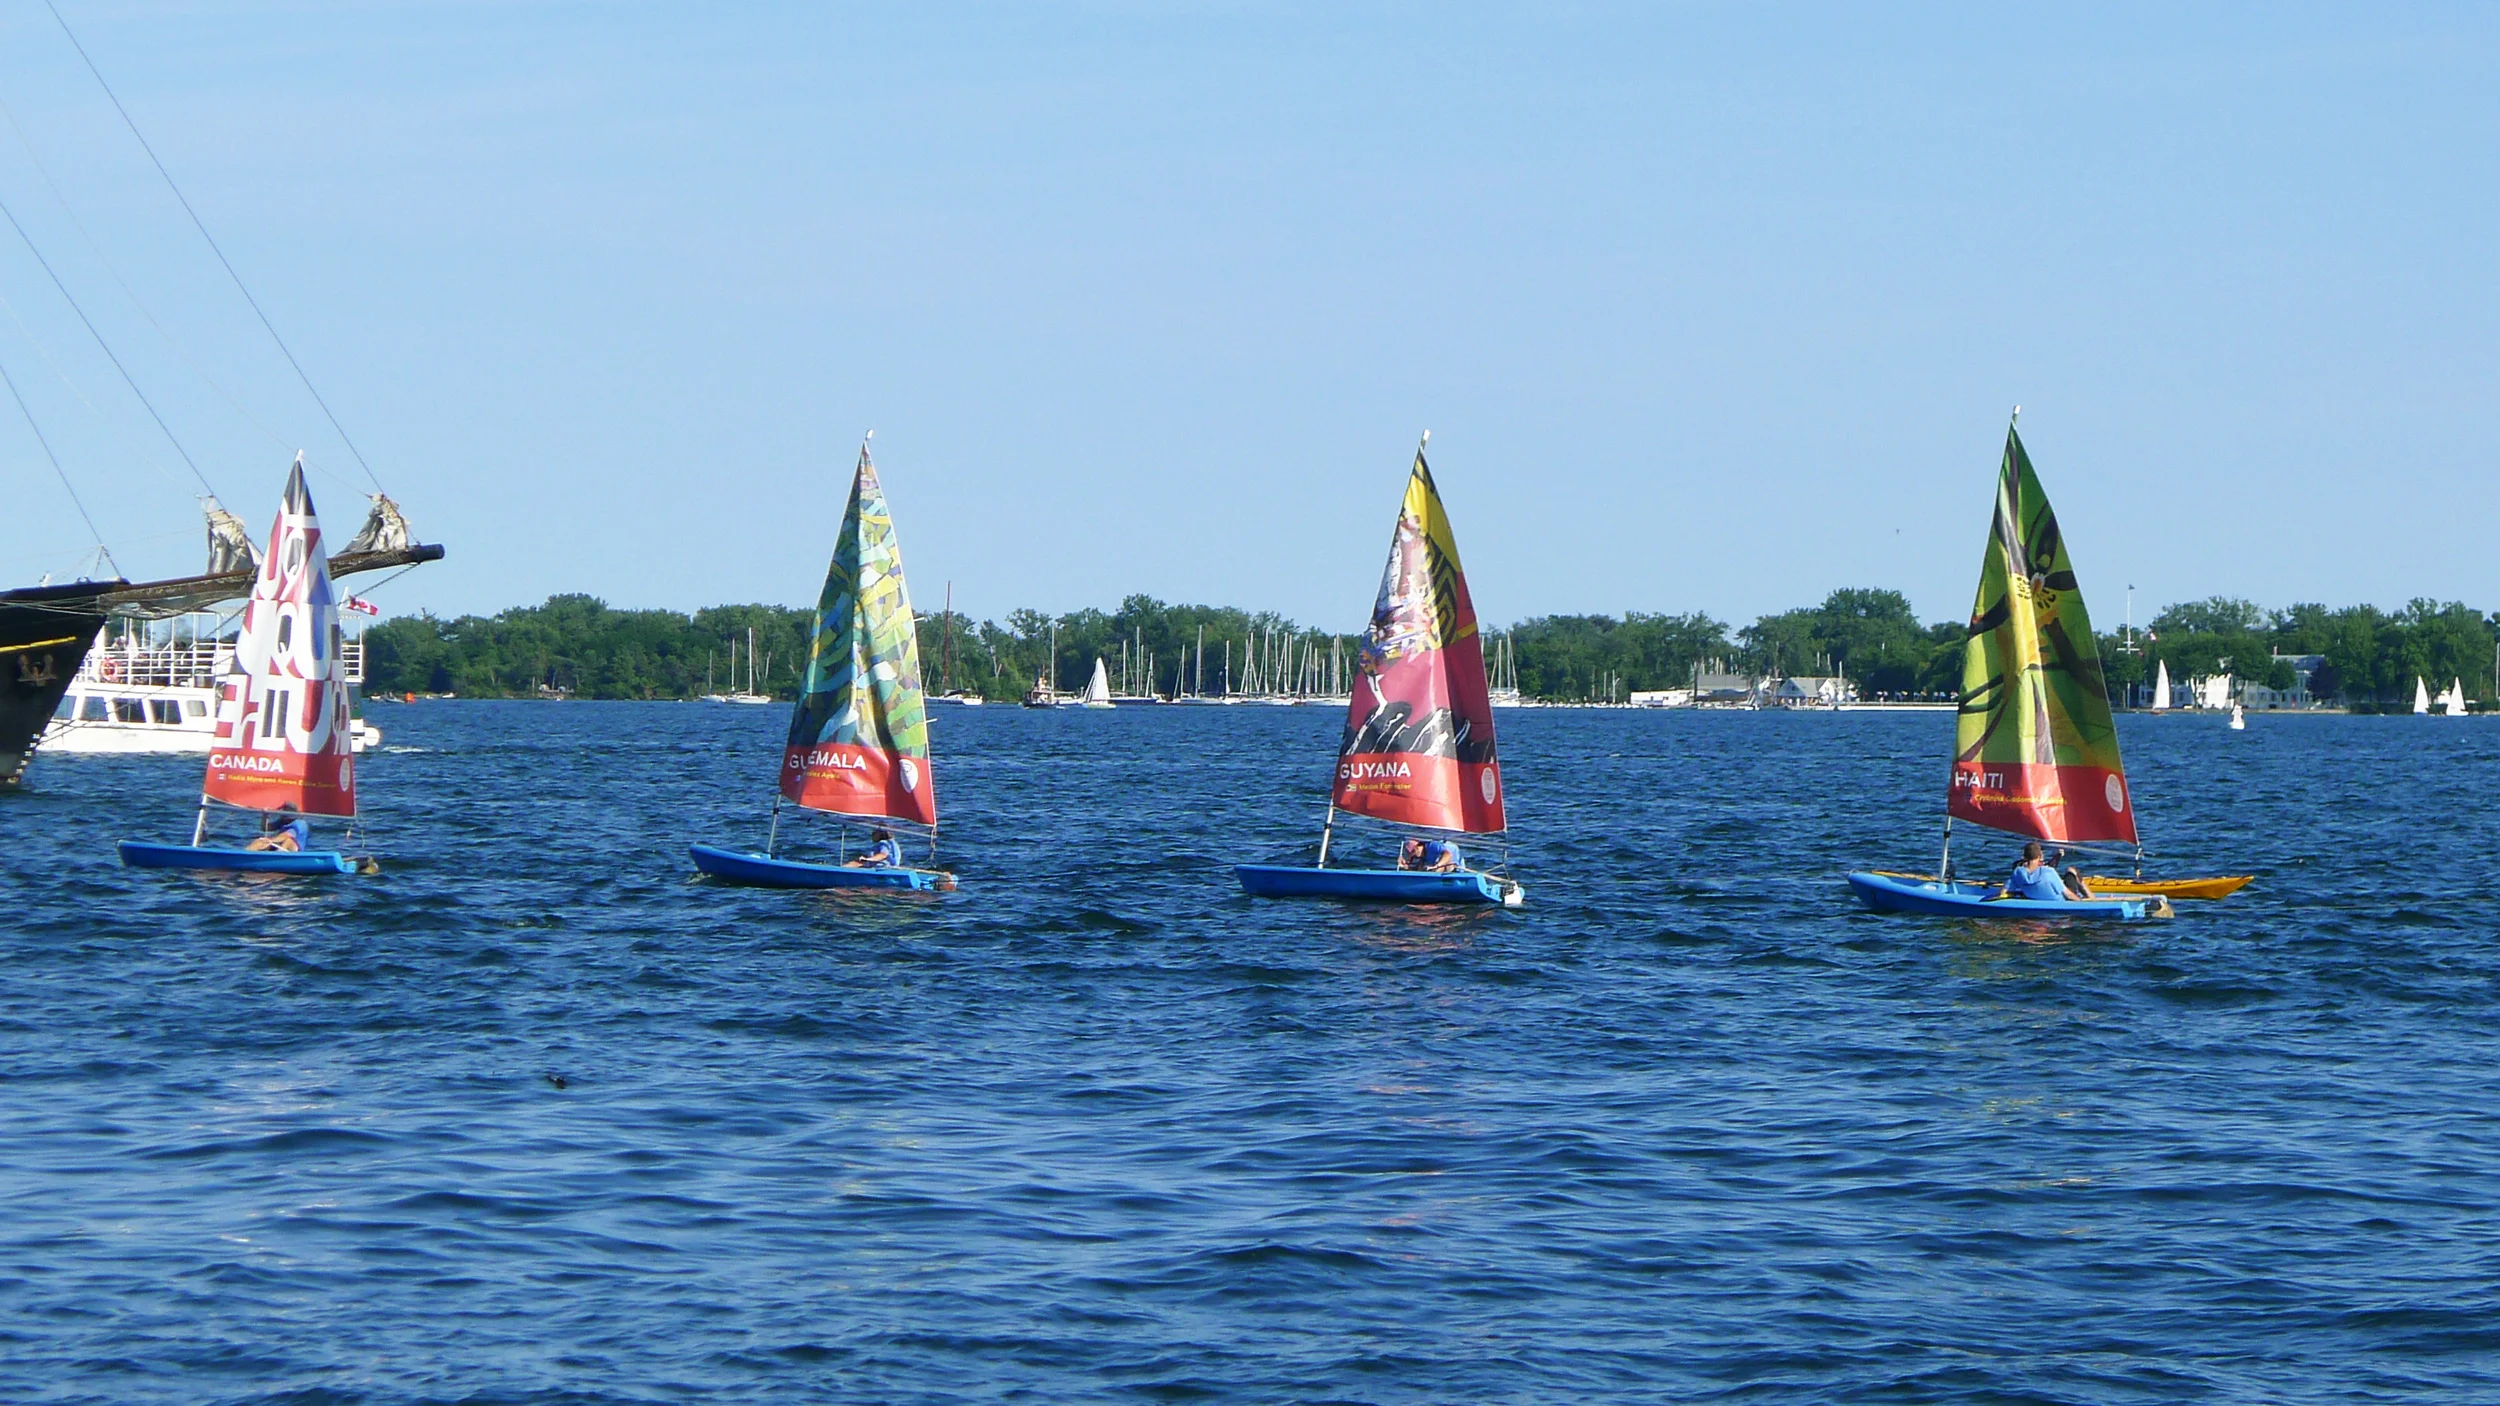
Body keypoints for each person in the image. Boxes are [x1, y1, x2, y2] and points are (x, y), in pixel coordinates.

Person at [1998, 841, 2088, 901]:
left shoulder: (2018, 872)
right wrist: (2080, 902)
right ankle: (2092, 898)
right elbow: (2068, 894)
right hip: (2060, 902)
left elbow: (2003, 892)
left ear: (2024, 857)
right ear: (2040, 857)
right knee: (2071, 871)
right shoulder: (2048, 872)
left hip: (2034, 899)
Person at [245, 806, 310, 853]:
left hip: (293, 849)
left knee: (288, 841)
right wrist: (264, 817)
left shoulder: (299, 824)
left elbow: (286, 835)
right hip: (279, 845)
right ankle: (245, 853)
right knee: (259, 841)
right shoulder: (283, 821)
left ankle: (277, 857)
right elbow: (265, 828)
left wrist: (271, 841)